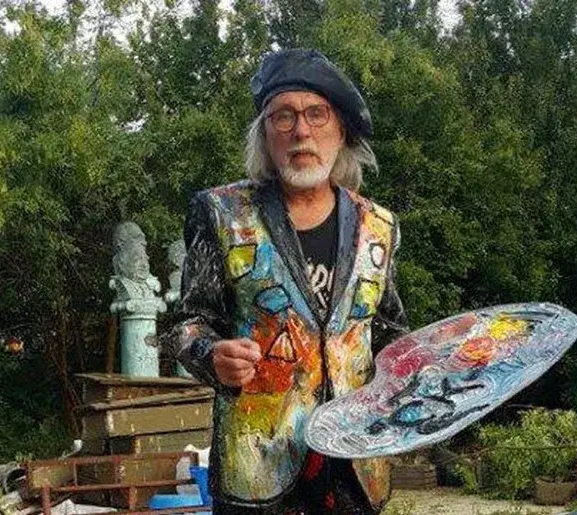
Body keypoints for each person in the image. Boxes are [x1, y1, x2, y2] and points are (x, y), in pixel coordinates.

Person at [175, 49, 408, 514]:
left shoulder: (379, 226)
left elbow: (389, 334)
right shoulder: (220, 214)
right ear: (265, 134)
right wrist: (211, 355)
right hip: (259, 461)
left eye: (317, 114)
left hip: (355, 466)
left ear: (341, 130)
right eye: (284, 116)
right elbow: (187, 325)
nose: (301, 130)